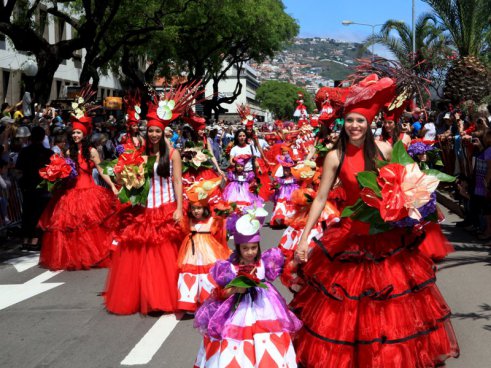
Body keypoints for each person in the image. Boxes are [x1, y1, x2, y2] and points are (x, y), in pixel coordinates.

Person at [292, 75, 459, 367]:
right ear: (344, 123)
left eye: (361, 121)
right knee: (349, 307)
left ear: (370, 124)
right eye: (351, 120)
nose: (355, 126)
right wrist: (303, 239)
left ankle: (389, 357)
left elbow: (407, 181)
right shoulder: (334, 156)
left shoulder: (383, 149)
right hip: (350, 237)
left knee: (391, 306)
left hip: (385, 238)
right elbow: (320, 198)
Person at [104, 91, 187, 315]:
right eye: (150, 130)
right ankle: (143, 297)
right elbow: (127, 179)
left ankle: (161, 297)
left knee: (162, 257)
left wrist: (179, 208)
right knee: (140, 256)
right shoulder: (137, 154)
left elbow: (178, 181)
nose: (152, 134)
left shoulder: (172, 155)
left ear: (163, 133)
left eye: (157, 131)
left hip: (166, 208)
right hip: (142, 209)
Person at [193, 206, 301, 367]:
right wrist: (236, 289)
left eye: (253, 248)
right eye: (245, 248)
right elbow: (222, 293)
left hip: (265, 307)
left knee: (267, 336)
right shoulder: (229, 268)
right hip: (237, 311)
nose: (250, 252)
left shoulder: (265, 262)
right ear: (238, 248)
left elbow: (285, 268)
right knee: (237, 340)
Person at [38, 108, 118, 270]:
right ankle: (75, 256)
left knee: (90, 227)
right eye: (73, 133)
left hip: (89, 192)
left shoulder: (92, 151)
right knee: (72, 227)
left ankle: (92, 255)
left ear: (84, 134)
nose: (75, 135)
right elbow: (67, 171)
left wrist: (113, 186)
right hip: (71, 192)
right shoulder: (69, 151)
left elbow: (102, 170)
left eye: (78, 133)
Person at [177, 178, 231, 313]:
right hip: (191, 250)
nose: (196, 211)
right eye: (194, 208)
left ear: (205, 208)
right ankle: (188, 302)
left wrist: (224, 213)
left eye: (199, 208)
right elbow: (182, 228)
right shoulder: (188, 220)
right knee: (189, 273)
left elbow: (221, 230)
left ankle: (208, 298)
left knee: (208, 274)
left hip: (208, 249)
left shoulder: (212, 220)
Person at [15, 126, 54, 249]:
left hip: (28, 187)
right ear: (43, 138)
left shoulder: (24, 151)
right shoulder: (49, 153)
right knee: (39, 214)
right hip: (42, 188)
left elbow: (18, 170)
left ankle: (26, 240)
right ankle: (36, 240)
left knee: (27, 213)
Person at [270, 155, 299, 228]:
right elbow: (276, 186)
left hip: (292, 193)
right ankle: (281, 220)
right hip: (282, 194)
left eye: (287, 169)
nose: (286, 171)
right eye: (284, 169)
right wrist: (275, 186)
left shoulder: (295, 178)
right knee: (281, 205)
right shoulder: (280, 179)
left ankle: (290, 220)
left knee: (291, 207)